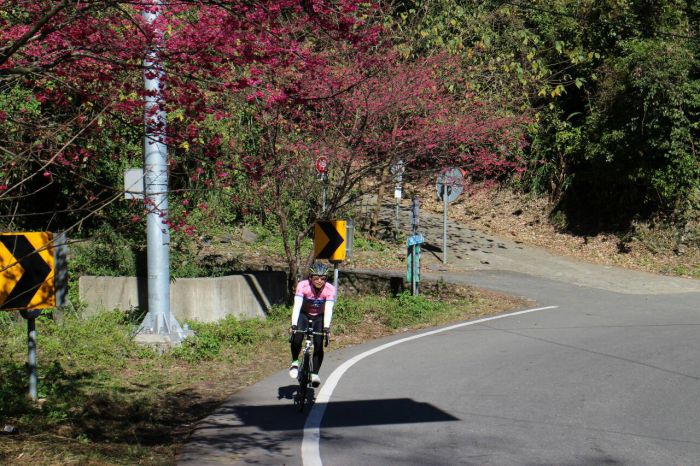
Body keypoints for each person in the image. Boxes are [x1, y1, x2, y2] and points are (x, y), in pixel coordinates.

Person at [289, 261, 336, 387]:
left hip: (319, 317)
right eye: (316, 277)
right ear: (310, 277)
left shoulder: (330, 289)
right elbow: (297, 306)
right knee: (297, 337)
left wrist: (326, 328)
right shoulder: (303, 286)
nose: (319, 281)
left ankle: (315, 373)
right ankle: (294, 362)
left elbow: (328, 310)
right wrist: (293, 325)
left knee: (319, 343)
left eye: (323, 278)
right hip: (303, 314)